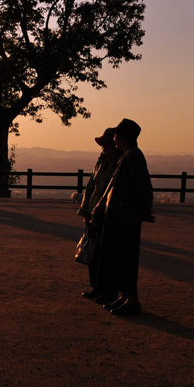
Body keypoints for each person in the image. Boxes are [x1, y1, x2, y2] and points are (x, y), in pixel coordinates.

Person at [92, 118, 153, 316]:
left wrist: (140, 211)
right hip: (119, 217)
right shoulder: (127, 155)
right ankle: (125, 297)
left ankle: (132, 301)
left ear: (125, 137)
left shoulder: (134, 156)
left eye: (116, 135)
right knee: (120, 259)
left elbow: (143, 186)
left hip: (125, 219)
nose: (114, 138)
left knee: (127, 259)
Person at [78, 127, 120, 300]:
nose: (103, 148)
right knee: (94, 253)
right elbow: (90, 187)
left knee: (105, 255)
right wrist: (85, 210)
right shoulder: (101, 163)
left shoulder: (118, 165)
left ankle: (107, 291)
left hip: (108, 215)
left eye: (106, 144)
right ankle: (96, 288)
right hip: (95, 213)